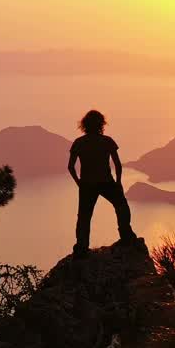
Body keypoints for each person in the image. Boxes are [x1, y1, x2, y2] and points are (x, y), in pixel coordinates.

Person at [68, 109, 138, 256]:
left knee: (84, 216)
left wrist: (78, 182)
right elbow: (118, 164)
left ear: (84, 125)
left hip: (87, 184)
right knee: (121, 205)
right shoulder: (107, 141)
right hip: (106, 182)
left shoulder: (79, 143)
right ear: (101, 124)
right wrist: (118, 182)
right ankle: (126, 235)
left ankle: (81, 247)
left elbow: (70, 167)